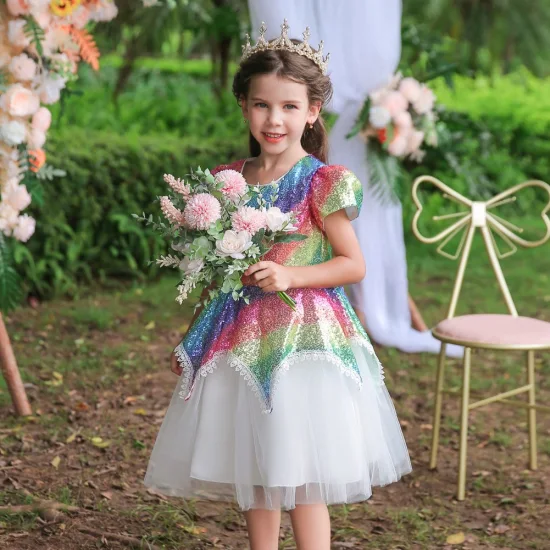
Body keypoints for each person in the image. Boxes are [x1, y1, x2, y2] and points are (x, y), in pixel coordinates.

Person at [144, 20, 411, 550]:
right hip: (240, 340)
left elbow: (352, 264)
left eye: (290, 107)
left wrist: (291, 274)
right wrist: (194, 336)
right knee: (257, 466)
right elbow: (218, 276)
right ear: (244, 105)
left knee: (303, 468)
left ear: (312, 112)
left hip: (304, 342)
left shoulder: (320, 181)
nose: (275, 119)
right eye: (263, 105)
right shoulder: (229, 182)